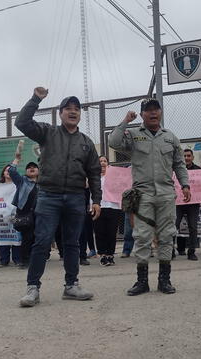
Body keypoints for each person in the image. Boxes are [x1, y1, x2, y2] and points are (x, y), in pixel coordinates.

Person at [16, 87, 101, 307]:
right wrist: (36, 99)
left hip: (75, 197)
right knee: (42, 241)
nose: (73, 112)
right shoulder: (48, 132)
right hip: (48, 196)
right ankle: (32, 288)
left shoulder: (86, 142)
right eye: (68, 109)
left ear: (80, 114)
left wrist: (97, 200)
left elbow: (93, 173)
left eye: (76, 109)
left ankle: (71, 286)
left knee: (72, 243)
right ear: (60, 113)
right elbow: (22, 122)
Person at [109, 98, 191, 296]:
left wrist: (185, 184)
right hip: (143, 195)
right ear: (143, 114)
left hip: (165, 194)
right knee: (142, 237)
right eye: (148, 110)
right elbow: (113, 142)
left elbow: (179, 164)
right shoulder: (134, 135)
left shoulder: (170, 137)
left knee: (166, 236)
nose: (153, 113)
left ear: (160, 112)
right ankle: (142, 281)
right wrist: (125, 121)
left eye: (156, 109)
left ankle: (165, 280)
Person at [8, 153, 39, 269]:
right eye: (29, 167)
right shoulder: (22, 181)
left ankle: (36, 260)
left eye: (34, 167)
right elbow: (11, 172)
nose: (31, 168)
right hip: (25, 214)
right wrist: (16, 159)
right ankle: (25, 261)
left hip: (40, 214)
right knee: (27, 238)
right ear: (26, 171)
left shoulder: (44, 182)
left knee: (38, 238)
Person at [93, 156, 122, 266]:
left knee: (111, 232)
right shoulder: (93, 178)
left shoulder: (114, 177)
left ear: (108, 164)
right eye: (100, 161)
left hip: (113, 206)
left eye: (105, 161)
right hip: (98, 207)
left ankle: (110, 255)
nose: (102, 163)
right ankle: (102, 255)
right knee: (100, 232)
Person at [175, 149, 201, 261]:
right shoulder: (175, 169)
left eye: (188, 156)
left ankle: (191, 252)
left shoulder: (199, 170)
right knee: (173, 226)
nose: (186, 158)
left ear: (192, 157)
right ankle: (169, 251)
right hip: (178, 203)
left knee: (193, 227)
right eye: (184, 156)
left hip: (193, 204)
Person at [0, 164, 21, 267]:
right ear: (3, 173)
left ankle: (17, 259)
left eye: (10, 170)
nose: (8, 172)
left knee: (16, 236)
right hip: (2, 215)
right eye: (6, 170)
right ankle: (4, 260)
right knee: (3, 237)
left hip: (16, 214)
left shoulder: (19, 185)